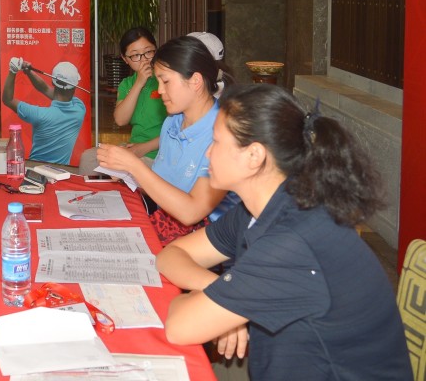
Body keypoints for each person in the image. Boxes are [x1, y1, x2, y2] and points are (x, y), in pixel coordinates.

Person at [158, 85, 412, 381]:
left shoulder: (294, 241)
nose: (208, 152)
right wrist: (220, 293)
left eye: (215, 141)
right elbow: (171, 255)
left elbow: (179, 327)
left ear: (254, 155)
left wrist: (220, 302)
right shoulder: (262, 208)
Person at [96, 35, 237, 244]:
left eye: (166, 81)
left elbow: (191, 212)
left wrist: (134, 166)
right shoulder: (173, 122)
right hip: (166, 225)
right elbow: (165, 185)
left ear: (195, 81)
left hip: (205, 243)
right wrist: (128, 174)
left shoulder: (225, 133)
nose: (159, 90)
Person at [2, 58, 87, 164]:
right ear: (75, 85)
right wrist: (29, 72)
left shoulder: (39, 115)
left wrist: (12, 71)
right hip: (61, 173)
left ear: (52, 81)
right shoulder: (80, 109)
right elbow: (47, 90)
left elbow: (8, 100)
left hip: (34, 171)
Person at [113, 27, 167, 159]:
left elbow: (178, 128)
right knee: (89, 158)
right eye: (135, 55)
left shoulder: (166, 79)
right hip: (134, 149)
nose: (144, 60)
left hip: (161, 152)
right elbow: (120, 120)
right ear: (125, 59)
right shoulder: (127, 84)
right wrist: (139, 83)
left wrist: (143, 148)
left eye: (148, 52)